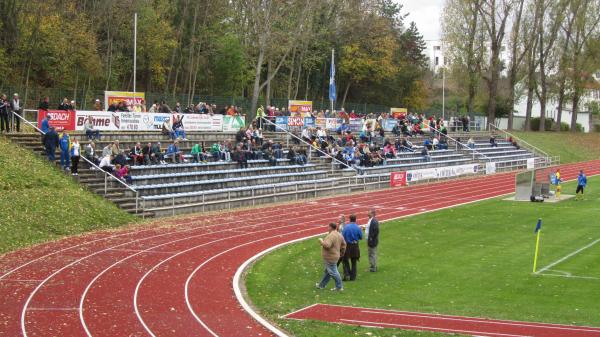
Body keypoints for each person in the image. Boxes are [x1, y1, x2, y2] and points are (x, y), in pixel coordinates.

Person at [316, 222, 346, 291]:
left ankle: (339, 286)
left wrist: (321, 241)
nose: (327, 228)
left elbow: (327, 245)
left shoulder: (331, 235)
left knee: (333, 272)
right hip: (335, 256)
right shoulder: (339, 234)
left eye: (328, 227)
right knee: (328, 272)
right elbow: (344, 244)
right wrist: (342, 253)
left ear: (330, 227)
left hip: (330, 257)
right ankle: (321, 285)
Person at [341, 214, 363, 281]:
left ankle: (347, 274)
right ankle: (353, 277)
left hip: (347, 245)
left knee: (345, 260)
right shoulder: (357, 227)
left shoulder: (346, 227)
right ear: (355, 219)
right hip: (355, 246)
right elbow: (361, 237)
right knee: (354, 262)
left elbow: (343, 236)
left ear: (349, 219)